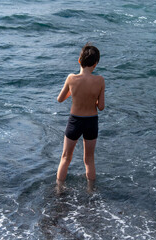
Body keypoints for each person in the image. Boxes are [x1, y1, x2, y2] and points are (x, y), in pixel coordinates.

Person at [56, 43, 105, 191]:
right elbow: (101, 107)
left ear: (79, 60)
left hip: (75, 121)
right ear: (96, 64)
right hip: (91, 121)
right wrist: (93, 98)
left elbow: (60, 99)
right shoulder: (100, 80)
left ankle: (59, 190)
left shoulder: (71, 78)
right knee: (89, 159)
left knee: (65, 158)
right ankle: (91, 191)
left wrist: (73, 92)